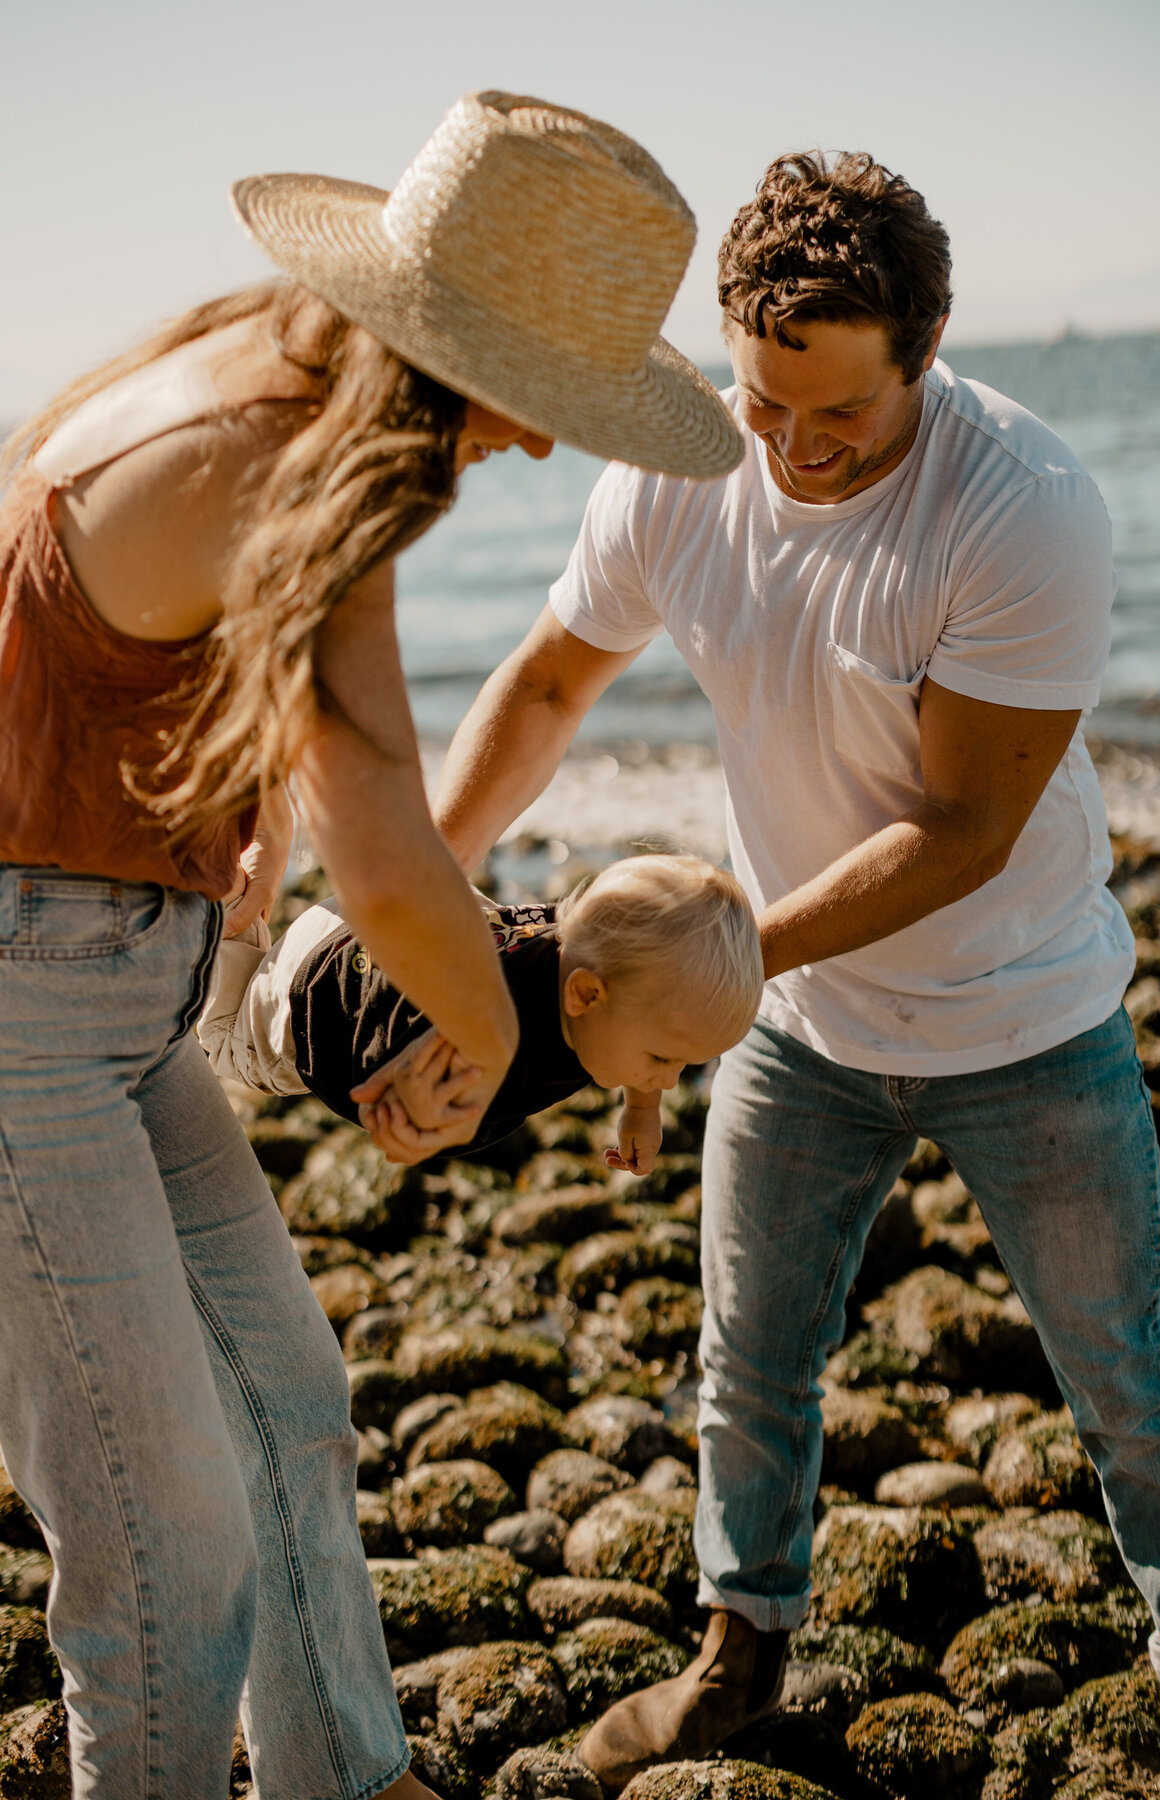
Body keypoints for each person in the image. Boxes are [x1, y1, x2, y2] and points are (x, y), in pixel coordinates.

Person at [0, 91, 741, 1800]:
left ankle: (341, 1776)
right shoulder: (302, 450)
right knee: (159, 1551)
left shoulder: (268, 375)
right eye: (546, 399)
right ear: (453, 345)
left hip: (124, 978)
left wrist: (233, 817)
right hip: (31, 1008)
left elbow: (144, 656)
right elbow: (395, 850)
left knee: (289, 1396)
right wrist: (478, 1038)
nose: (548, 447)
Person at [429, 149, 1160, 1790]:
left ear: (924, 352)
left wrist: (708, 967)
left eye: (834, 415)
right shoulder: (684, 462)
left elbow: (964, 829)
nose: (786, 449)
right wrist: (416, 890)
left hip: (1028, 1024)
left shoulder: (1022, 504)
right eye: (761, 402)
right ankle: (742, 1651)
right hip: (798, 1031)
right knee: (751, 1353)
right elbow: (555, 682)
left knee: (1127, 1380)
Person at [198, 854, 762, 1171]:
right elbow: (383, 1077)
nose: (667, 1079)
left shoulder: (589, 952)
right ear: (585, 997)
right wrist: (409, 1122)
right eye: (662, 1060)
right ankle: (215, 894)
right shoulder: (470, 1039)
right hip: (308, 993)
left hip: (362, 912)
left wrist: (642, 1108)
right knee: (221, 1043)